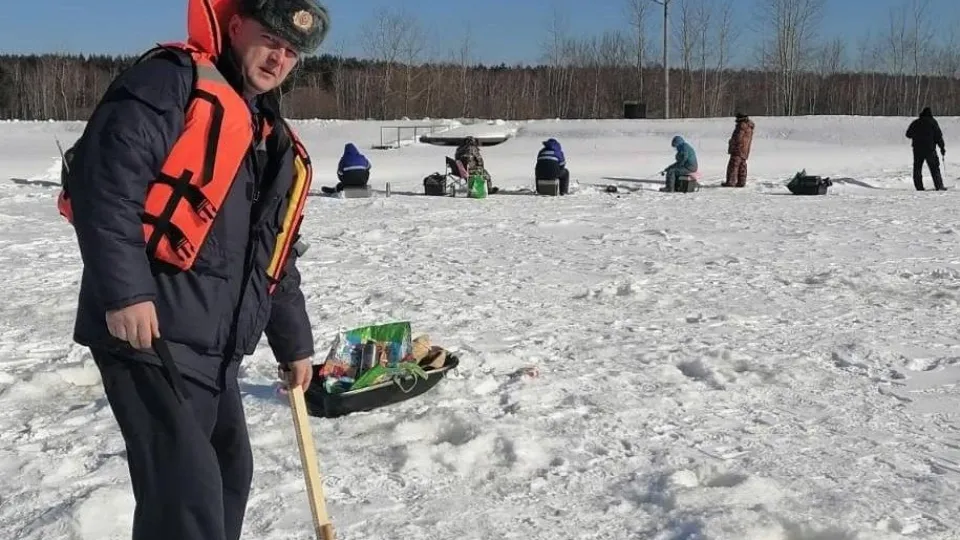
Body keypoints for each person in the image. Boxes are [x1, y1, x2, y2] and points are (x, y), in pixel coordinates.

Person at [55, 0, 329, 539]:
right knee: (188, 498)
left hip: (213, 350)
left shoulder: (266, 133)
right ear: (234, 25)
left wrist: (294, 344)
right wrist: (126, 294)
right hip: (149, 336)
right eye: (271, 39)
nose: (279, 58)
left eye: (292, 52)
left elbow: (272, 255)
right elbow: (105, 186)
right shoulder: (170, 82)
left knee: (227, 480)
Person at [906, 106, 947, 191]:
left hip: (917, 149)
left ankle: (919, 187)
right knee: (934, 168)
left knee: (917, 168)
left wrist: (916, 136)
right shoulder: (933, 122)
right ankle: (939, 186)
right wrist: (942, 147)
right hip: (930, 149)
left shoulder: (916, 122)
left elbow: (908, 134)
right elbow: (938, 136)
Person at [723, 112, 754, 188]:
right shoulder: (749, 126)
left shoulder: (741, 126)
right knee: (742, 165)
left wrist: (731, 142)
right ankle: (741, 182)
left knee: (733, 165)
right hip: (745, 149)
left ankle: (731, 182)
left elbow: (738, 138)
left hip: (738, 149)